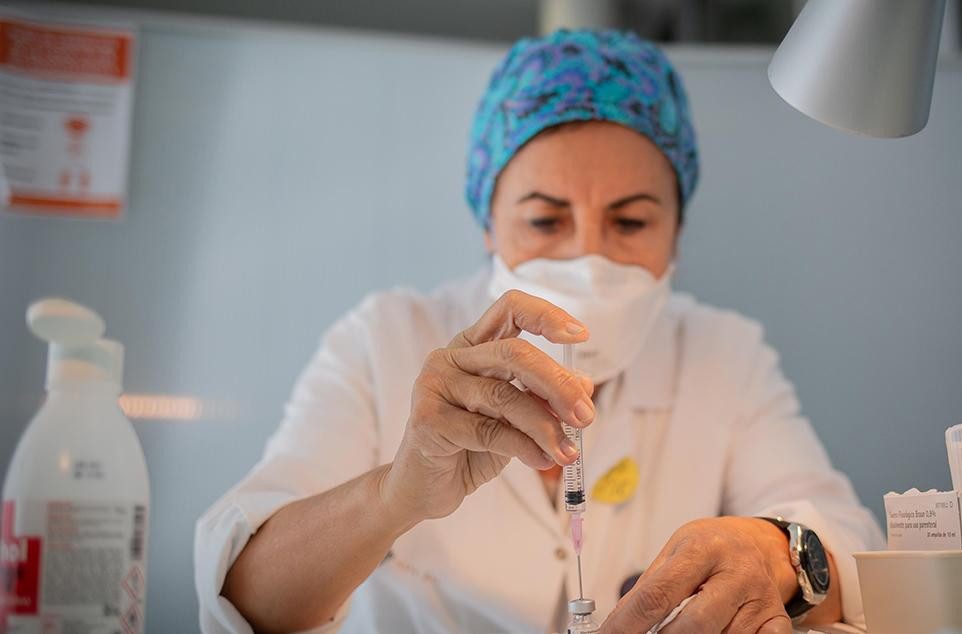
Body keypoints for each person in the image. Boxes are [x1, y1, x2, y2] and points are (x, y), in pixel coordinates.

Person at [194, 29, 882, 633]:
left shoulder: (722, 354)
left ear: (678, 233)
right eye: (546, 221)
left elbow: (852, 546)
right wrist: (395, 495)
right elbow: (245, 601)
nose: (589, 255)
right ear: (488, 224)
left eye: (632, 222)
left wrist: (771, 553)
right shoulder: (385, 339)